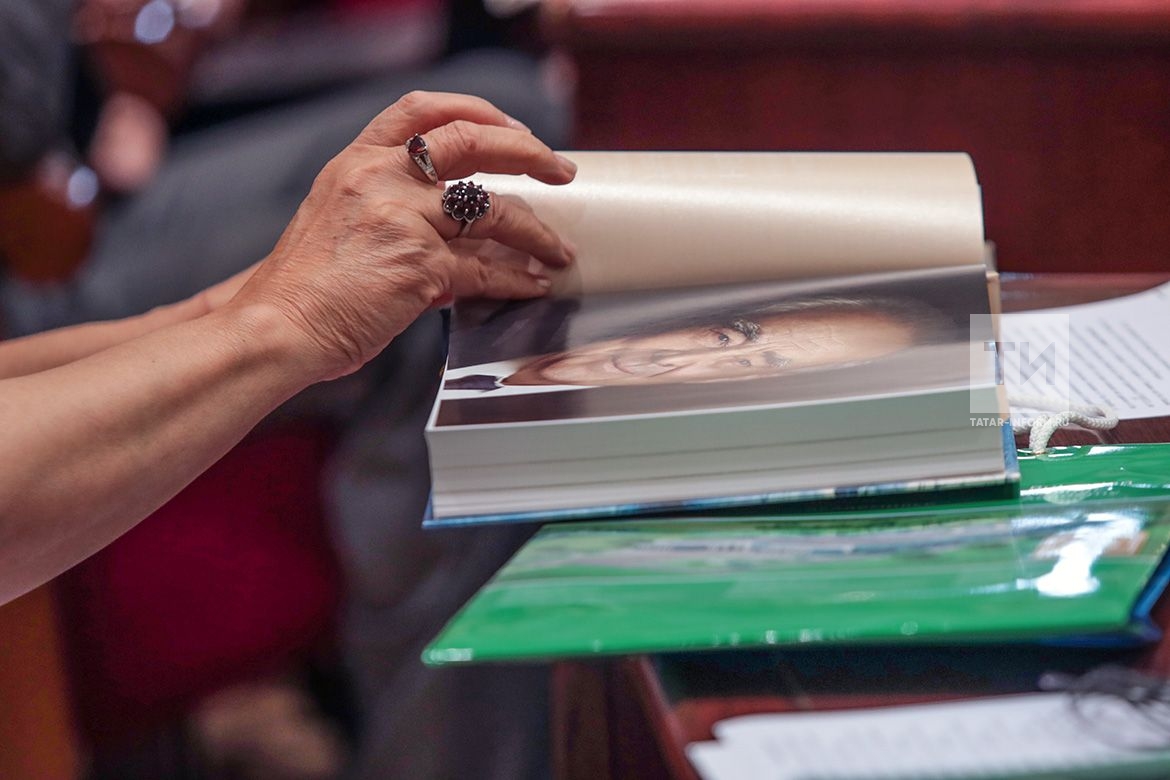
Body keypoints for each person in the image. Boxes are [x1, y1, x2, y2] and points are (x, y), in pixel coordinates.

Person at [0, 89, 576, 608]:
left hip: (70, 186)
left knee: (493, 116)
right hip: (36, 246)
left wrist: (215, 310)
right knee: (428, 308)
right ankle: (459, 685)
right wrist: (290, 319)